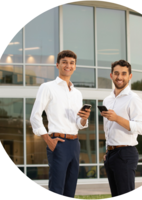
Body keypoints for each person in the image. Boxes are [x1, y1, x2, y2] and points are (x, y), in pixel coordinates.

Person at [30, 50, 91, 197]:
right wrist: (48, 140)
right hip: (58, 143)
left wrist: (84, 118)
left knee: (70, 190)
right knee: (57, 189)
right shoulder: (47, 87)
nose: (68, 65)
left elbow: (78, 123)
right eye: (64, 62)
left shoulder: (77, 94)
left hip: (75, 143)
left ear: (75, 66)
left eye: (71, 63)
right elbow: (35, 116)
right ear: (57, 65)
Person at [100, 60, 142, 197]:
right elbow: (108, 128)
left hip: (125, 154)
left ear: (130, 76)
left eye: (123, 74)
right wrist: (108, 149)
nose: (119, 77)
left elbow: (141, 127)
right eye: (116, 73)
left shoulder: (134, 99)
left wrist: (117, 118)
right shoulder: (107, 100)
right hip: (111, 154)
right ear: (111, 75)